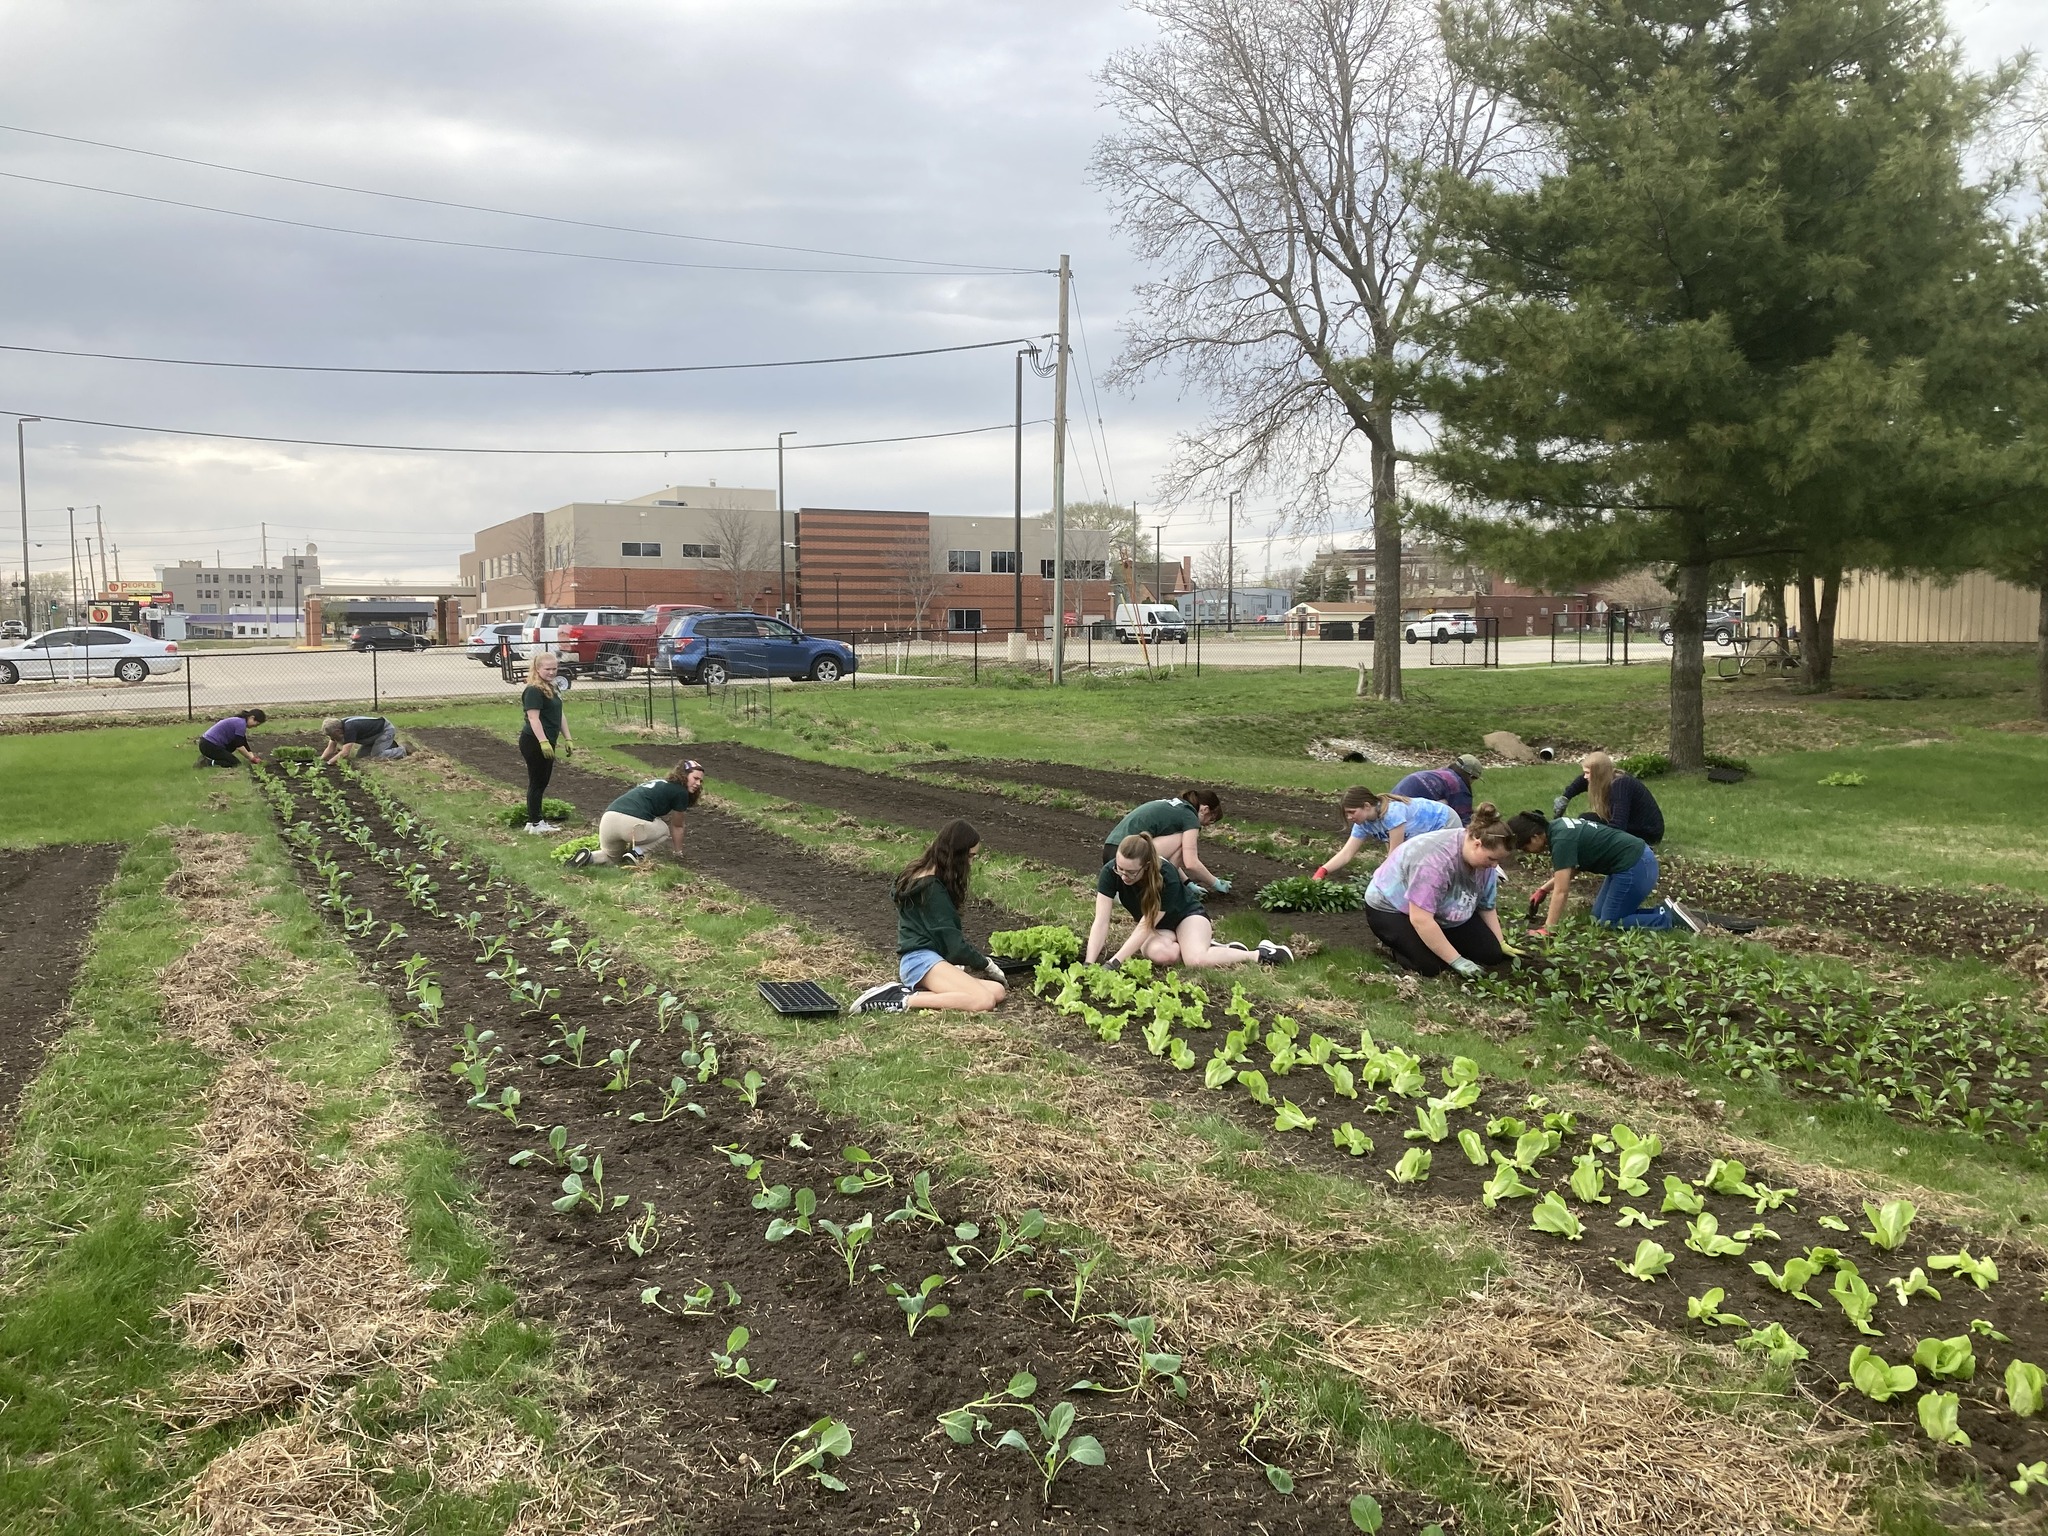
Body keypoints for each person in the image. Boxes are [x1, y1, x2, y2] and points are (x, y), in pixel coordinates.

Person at [850, 819, 1009, 1013]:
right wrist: (986, 963)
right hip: (921, 962)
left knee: (997, 991)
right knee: (983, 1001)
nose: (970, 862)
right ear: (956, 854)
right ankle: (899, 998)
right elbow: (955, 946)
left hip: (924, 960)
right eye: (969, 856)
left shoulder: (916, 873)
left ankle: (911, 992)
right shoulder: (933, 890)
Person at [1085, 832, 1292, 970]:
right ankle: (1212, 947)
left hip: (1186, 917)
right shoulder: (1110, 872)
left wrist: (1115, 962)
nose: (1123, 875)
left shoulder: (1166, 875)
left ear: (1147, 866)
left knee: (1195, 960)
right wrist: (1088, 962)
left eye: (1131, 872)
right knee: (1163, 955)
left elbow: (1146, 925)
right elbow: (1101, 921)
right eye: (1119, 868)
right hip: (1160, 928)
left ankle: (1261, 954)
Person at [1363, 804, 1518, 978]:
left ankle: (1436, 939)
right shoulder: (1435, 861)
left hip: (1440, 910)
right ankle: (1395, 945)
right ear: (1477, 844)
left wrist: (1500, 942)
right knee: (1430, 966)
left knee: (1491, 955)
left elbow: (1485, 906)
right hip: (1395, 909)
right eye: (1492, 859)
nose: (1494, 865)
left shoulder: (1485, 863)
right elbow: (1421, 918)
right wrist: (1457, 960)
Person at [1507, 810, 1701, 934]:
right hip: (1634, 861)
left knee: (1608, 922)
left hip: (1636, 866)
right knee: (1598, 916)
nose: (1527, 852)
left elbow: (1562, 890)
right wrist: (1543, 890)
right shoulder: (1558, 828)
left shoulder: (1561, 841)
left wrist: (1548, 929)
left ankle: (1668, 919)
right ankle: (1663, 911)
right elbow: (1571, 869)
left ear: (1534, 836)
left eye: (1524, 847)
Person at [571, 759, 703, 867]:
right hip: (630, 824)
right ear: (684, 776)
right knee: (664, 830)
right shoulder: (680, 792)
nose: (698, 783)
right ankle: (637, 853)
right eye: (695, 778)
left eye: (700, 781)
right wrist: (678, 853)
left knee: (612, 858)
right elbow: (678, 826)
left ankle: (589, 857)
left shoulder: (659, 782)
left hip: (608, 819)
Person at [1313, 785, 1464, 878]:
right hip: (1423, 835)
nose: (1349, 817)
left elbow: (1394, 854)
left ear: (1366, 806)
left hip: (1444, 823)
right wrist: (1323, 870)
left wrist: (1378, 877)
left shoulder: (1392, 813)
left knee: (1433, 866)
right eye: (1347, 814)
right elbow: (1346, 854)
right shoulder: (1363, 823)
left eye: (1352, 812)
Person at [1100, 789, 1231, 894]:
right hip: (1129, 855)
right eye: (1211, 820)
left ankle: (1170, 883)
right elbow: (1191, 863)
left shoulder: (1176, 807)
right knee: (1182, 841)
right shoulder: (1189, 816)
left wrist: (1187, 883)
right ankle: (1167, 886)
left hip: (1113, 853)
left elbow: (1169, 856)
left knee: (1180, 842)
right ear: (1205, 810)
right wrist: (1216, 883)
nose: (1207, 825)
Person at [1553, 751, 1664, 844]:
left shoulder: (1621, 785)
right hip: (1631, 827)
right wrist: (1565, 797)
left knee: (1587, 823)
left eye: (1587, 773)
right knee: (1586, 819)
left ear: (1598, 774)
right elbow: (1581, 782)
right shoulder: (1608, 777)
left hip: (1646, 834)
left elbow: (1618, 825)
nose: (1585, 777)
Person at [519, 652, 573, 834]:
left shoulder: (552, 686)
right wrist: (543, 741)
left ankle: (532, 821)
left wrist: (568, 738)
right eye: (547, 669)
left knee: (540, 782)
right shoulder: (533, 690)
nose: (551, 672)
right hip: (534, 741)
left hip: (547, 740)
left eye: (554, 668)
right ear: (537, 669)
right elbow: (534, 719)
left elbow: (560, 715)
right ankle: (536, 823)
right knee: (538, 782)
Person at [1390, 755, 1485, 824]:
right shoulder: (1458, 786)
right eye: (1475, 779)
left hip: (1391, 806)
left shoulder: (1443, 773)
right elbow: (1464, 819)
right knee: (1448, 811)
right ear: (1471, 776)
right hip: (1405, 815)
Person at [319, 714, 405, 764]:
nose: (331, 738)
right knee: (361, 757)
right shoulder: (339, 726)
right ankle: (389, 746)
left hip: (385, 731)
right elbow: (330, 748)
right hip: (371, 736)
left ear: (337, 731)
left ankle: (402, 750)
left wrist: (329, 763)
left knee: (377, 755)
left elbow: (345, 753)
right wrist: (320, 761)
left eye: (331, 735)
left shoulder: (350, 728)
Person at [195, 709, 267, 768]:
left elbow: (243, 742)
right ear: (252, 718)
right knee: (235, 764)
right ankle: (207, 762)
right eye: (257, 724)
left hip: (207, 743)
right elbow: (240, 747)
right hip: (209, 745)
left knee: (233, 745)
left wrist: (252, 757)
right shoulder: (240, 724)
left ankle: (212, 758)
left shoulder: (240, 721)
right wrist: (251, 758)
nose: (255, 726)